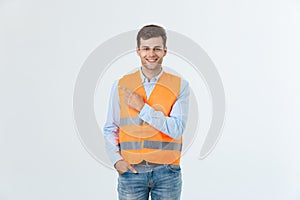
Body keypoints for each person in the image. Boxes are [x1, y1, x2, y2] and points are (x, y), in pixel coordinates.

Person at [103, 24, 189, 200]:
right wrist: (116, 160)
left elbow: (177, 128)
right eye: (146, 48)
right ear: (138, 51)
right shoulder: (121, 85)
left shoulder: (180, 86)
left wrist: (143, 108)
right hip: (131, 173)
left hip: (167, 172)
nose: (151, 54)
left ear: (165, 51)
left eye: (157, 48)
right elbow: (111, 128)